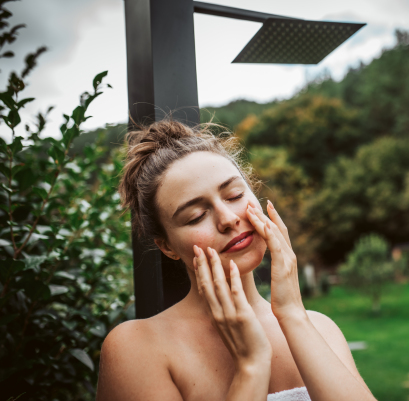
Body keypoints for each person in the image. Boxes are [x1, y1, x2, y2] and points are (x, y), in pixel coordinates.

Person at [96, 120, 376, 401]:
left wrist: (292, 314)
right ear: (167, 247)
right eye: (196, 216)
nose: (229, 219)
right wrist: (250, 367)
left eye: (235, 195)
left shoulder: (321, 329)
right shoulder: (137, 348)